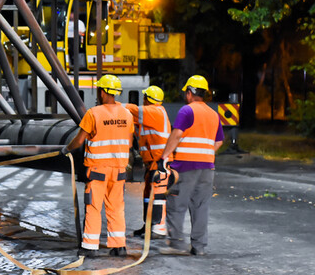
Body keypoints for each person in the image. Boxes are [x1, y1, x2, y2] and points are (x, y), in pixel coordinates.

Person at [62, 74, 134, 257]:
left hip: (98, 170)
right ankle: (119, 246)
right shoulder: (127, 115)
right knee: (116, 207)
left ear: (102, 92)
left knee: (94, 206)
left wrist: (66, 149)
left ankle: (89, 247)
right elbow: (130, 142)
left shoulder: (94, 113)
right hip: (119, 170)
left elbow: (79, 140)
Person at [159, 75, 223, 256]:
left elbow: (177, 135)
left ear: (189, 93)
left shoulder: (187, 111)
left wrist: (164, 156)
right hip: (207, 168)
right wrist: (206, 154)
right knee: (201, 207)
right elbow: (218, 142)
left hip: (185, 167)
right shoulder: (213, 114)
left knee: (176, 204)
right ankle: (199, 246)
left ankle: (177, 245)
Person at [124, 85, 171, 238]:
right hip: (152, 162)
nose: (142, 100)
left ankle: (159, 228)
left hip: (160, 162)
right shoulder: (151, 116)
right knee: (148, 194)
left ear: (148, 99)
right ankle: (149, 225)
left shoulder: (155, 112)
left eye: (144, 98)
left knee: (157, 194)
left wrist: (113, 105)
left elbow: (131, 109)